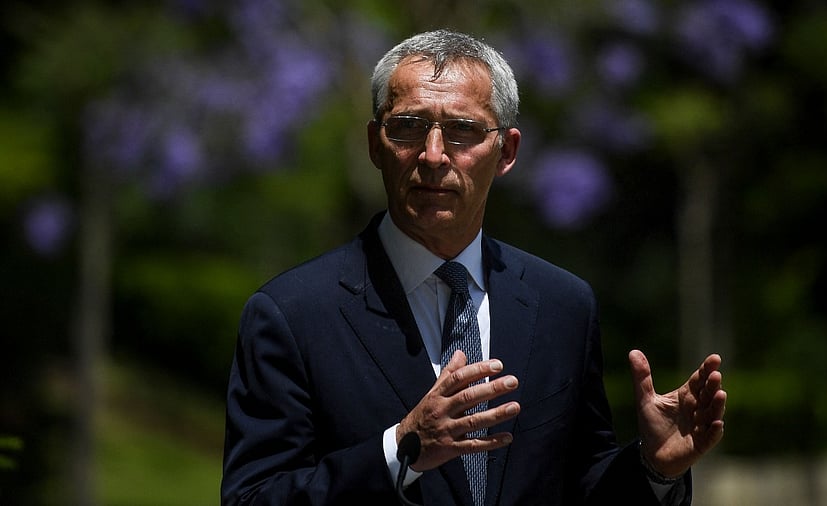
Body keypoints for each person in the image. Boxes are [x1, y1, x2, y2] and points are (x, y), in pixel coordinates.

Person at [221, 29, 726, 506]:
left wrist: (654, 469)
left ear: (506, 151)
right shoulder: (292, 315)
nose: (433, 155)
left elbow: (579, 486)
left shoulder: (563, 306)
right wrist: (401, 449)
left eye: (462, 131)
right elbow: (252, 497)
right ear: (375, 144)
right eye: (408, 128)